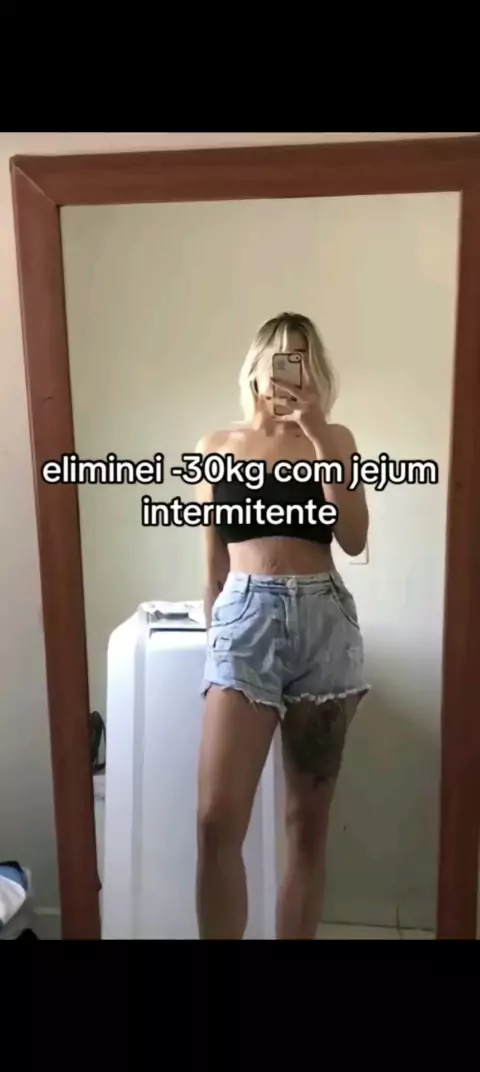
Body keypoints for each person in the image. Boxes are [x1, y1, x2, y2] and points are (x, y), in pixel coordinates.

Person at [195, 311, 370, 939]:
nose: (286, 373)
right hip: (242, 621)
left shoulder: (335, 438)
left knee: (307, 825)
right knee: (216, 821)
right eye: (278, 358)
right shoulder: (217, 446)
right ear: (256, 367)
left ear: (314, 370)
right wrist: (215, 634)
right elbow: (214, 564)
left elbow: (355, 537)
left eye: (301, 358)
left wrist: (319, 437)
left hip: (324, 624)